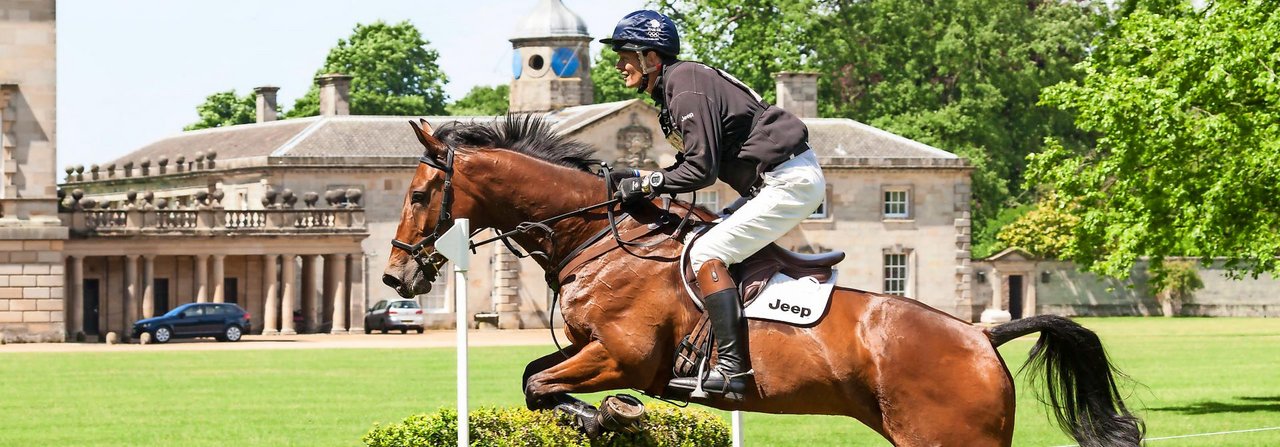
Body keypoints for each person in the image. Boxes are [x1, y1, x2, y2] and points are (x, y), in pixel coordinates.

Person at [601, 10, 826, 399]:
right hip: (771, 184)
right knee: (699, 234)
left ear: (651, 58)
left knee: (707, 251)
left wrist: (647, 182)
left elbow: (700, 171)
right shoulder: (675, 89)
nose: (620, 65)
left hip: (786, 181)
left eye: (625, 55)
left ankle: (733, 370)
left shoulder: (685, 82)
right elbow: (691, 167)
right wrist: (642, 179)